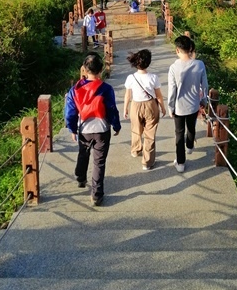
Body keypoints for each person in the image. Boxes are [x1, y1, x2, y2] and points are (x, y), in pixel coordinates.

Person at [64, 53, 121, 206]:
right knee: (99, 162)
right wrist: (116, 125)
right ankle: (96, 194)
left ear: (84, 69)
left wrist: (72, 129)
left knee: (83, 153)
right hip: (101, 129)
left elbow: (70, 112)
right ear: (101, 69)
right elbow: (111, 109)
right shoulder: (106, 89)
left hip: (83, 128)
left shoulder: (75, 90)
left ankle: (81, 177)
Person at [168, 35, 208, 173]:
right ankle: (190, 146)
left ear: (177, 50)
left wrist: (170, 107)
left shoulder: (173, 67)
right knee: (191, 127)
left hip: (179, 106)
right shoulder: (200, 64)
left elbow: (172, 90)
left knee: (179, 133)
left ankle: (180, 163)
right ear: (190, 48)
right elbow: (204, 87)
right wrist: (203, 101)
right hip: (194, 104)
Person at [124, 49, 166, 170]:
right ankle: (147, 162)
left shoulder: (131, 78)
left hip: (135, 105)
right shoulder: (153, 77)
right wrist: (162, 107)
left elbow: (128, 95)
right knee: (150, 133)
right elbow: (158, 95)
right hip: (150, 105)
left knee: (136, 129)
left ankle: (135, 149)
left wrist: (125, 108)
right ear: (148, 62)